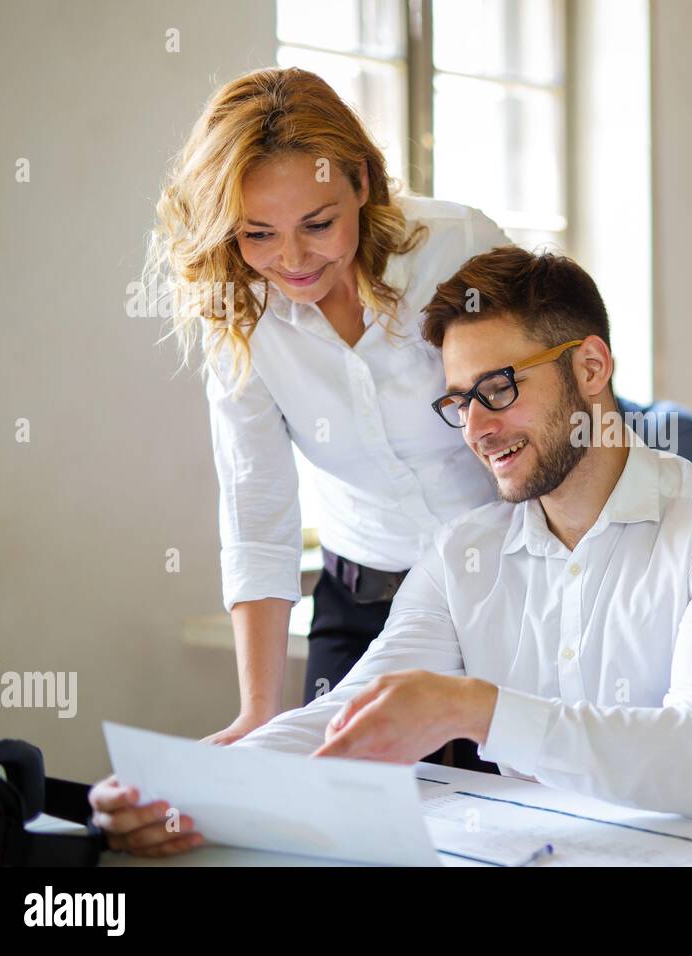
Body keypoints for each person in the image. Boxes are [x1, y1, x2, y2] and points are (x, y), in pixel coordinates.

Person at [89, 245, 692, 857]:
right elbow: (352, 711)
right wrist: (180, 793)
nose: (478, 429)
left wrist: (477, 709)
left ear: (590, 366)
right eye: (459, 402)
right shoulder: (463, 552)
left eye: (499, 387)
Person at [143, 67, 506, 748]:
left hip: (508, 588)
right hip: (363, 604)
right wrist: (257, 711)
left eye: (317, 223)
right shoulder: (240, 309)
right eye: (257, 234)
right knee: (350, 820)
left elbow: (542, 416)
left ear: (362, 183)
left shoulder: (456, 249)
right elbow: (257, 506)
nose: (292, 259)